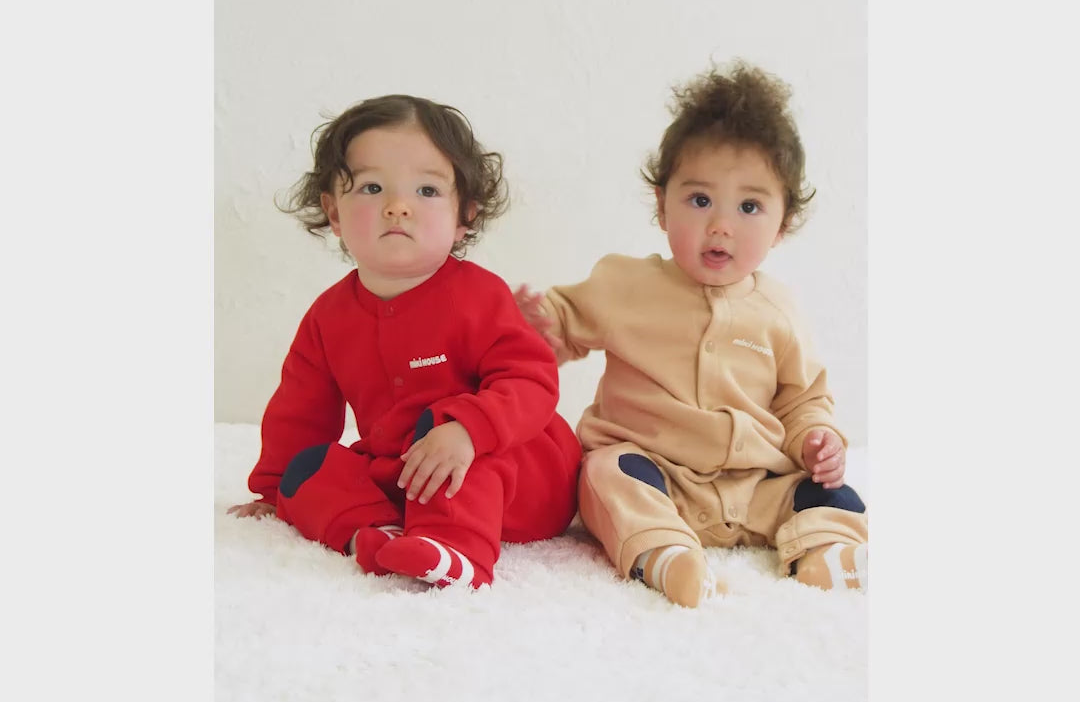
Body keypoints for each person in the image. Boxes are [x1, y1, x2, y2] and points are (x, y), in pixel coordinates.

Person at [515, 60, 868, 608]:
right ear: (662, 206)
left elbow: (802, 400)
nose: (721, 225)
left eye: (749, 206)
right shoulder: (625, 284)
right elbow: (560, 326)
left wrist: (817, 440)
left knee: (829, 492)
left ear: (782, 224)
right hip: (656, 475)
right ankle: (665, 554)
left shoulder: (779, 310)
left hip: (754, 487)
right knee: (603, 475)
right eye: (700, 200)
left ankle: (828, 552)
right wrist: (535, 324)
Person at [228, 93, 582, 589]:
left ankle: (457, 552)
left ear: (465, 216)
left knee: (447, 430)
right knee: (306, 471)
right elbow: (299, 410)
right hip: (403, 472)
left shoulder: (480, 297)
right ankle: (378, 532)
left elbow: (531, 381)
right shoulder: (328, 316)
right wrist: (273, 490)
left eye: (427, 191)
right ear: (333, 212)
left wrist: (469, 432)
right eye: (372, 188)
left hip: (510, 472)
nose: (397, 207)